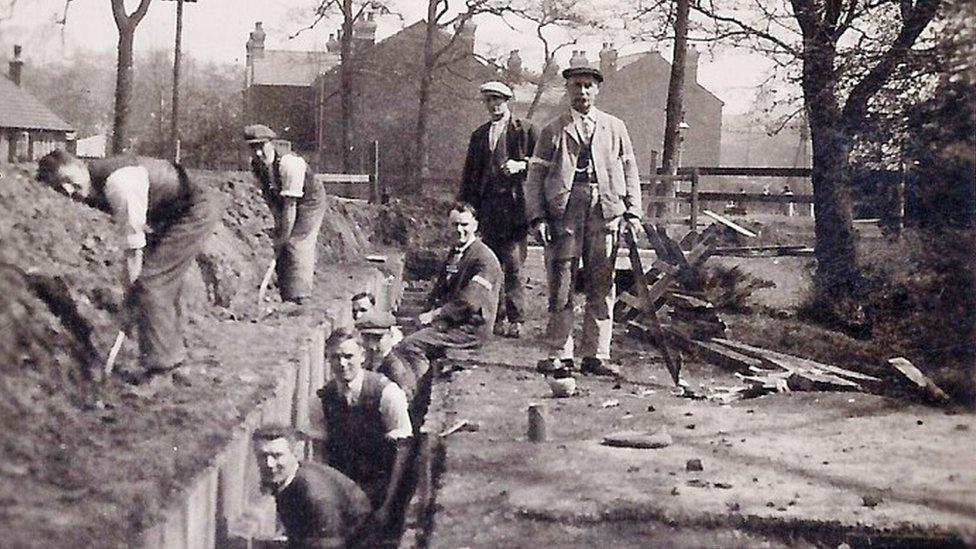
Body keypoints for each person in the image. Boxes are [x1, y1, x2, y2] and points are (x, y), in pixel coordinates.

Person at [36, 150, 219, 380]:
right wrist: (130, 290)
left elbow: (133, 251)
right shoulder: (93, 184)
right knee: (155, 283)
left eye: (69, 181)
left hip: (193, 210)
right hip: (169, 213)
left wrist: (131, 294)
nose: (69, 191)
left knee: (151, 284)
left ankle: (163, 368)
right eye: (60, 189)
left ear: (81, 165)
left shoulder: (119, 183)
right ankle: (173, 355)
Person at [524, 63, 642, 377]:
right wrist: (537, 217)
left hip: (605, 209)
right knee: (561, 285)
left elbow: (630, 170)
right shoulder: (553, 129)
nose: (582, 92)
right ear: (568, 90)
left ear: (597, 89)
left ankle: (596, 354)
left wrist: (632, 211)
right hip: (564, 212)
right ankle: (560, 354)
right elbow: (535, 177)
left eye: (588, 85)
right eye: (576, 86)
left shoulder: (615, 127)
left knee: (602, 283)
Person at [458, 81, 536, 339]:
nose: (494, 105)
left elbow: (543, 164)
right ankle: (495, 316)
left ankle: (517, 318)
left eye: (498, 100)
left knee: (513, 264)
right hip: (488, 210)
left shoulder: (525, 131)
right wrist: (467, 208)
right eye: (489, 100)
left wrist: (521, 165)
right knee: (490, 264)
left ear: (508, 100)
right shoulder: (479, 135)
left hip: (514, 210)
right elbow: (470, 175)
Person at [317, 328, 413, 535]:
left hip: (384, 486)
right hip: (344, 487)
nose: (342, 364)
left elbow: (402, 452)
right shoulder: (322, 399)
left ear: (362, 356)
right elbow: (321, 453)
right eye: (335, 357)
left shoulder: (387, 393)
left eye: (348, 356)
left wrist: (388, 505)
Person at [396, 202, 503, 378]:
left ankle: (417, 393)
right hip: (451, 323)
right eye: (455, 225)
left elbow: (468, 303)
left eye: (464, 225)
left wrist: (434, 315)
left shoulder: (484, 259)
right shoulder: (455, 253)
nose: (459, 230)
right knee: (402, 334)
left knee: (410, 346)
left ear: (475, 225)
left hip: (469, 330)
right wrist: (425, 312)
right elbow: (439, 290)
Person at [245, 124, 328, 305]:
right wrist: (279, 228)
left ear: (271, 144)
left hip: (310, 201)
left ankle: (300, 296)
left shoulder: (289, 165)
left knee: (296, 242)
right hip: (286, 200)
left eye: (261, 146)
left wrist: (283, 237)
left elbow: (291, 207)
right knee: (283, 240)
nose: (258, 153)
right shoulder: (257, 166)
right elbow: (272, 201)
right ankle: (286, 295)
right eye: (253, 148)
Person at [252, 424, 371, 548]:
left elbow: (330, 544)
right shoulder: (288, 479)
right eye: (263, 456)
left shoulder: (317, 497)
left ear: (295, 453)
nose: (269, 464)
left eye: (277, 456)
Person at [356, 310, 416, 404]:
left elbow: (406, 401)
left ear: (390, 336)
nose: (372, 345)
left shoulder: (395, 367)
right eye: (367, 338)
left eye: (377, 338)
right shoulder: (368, 361)